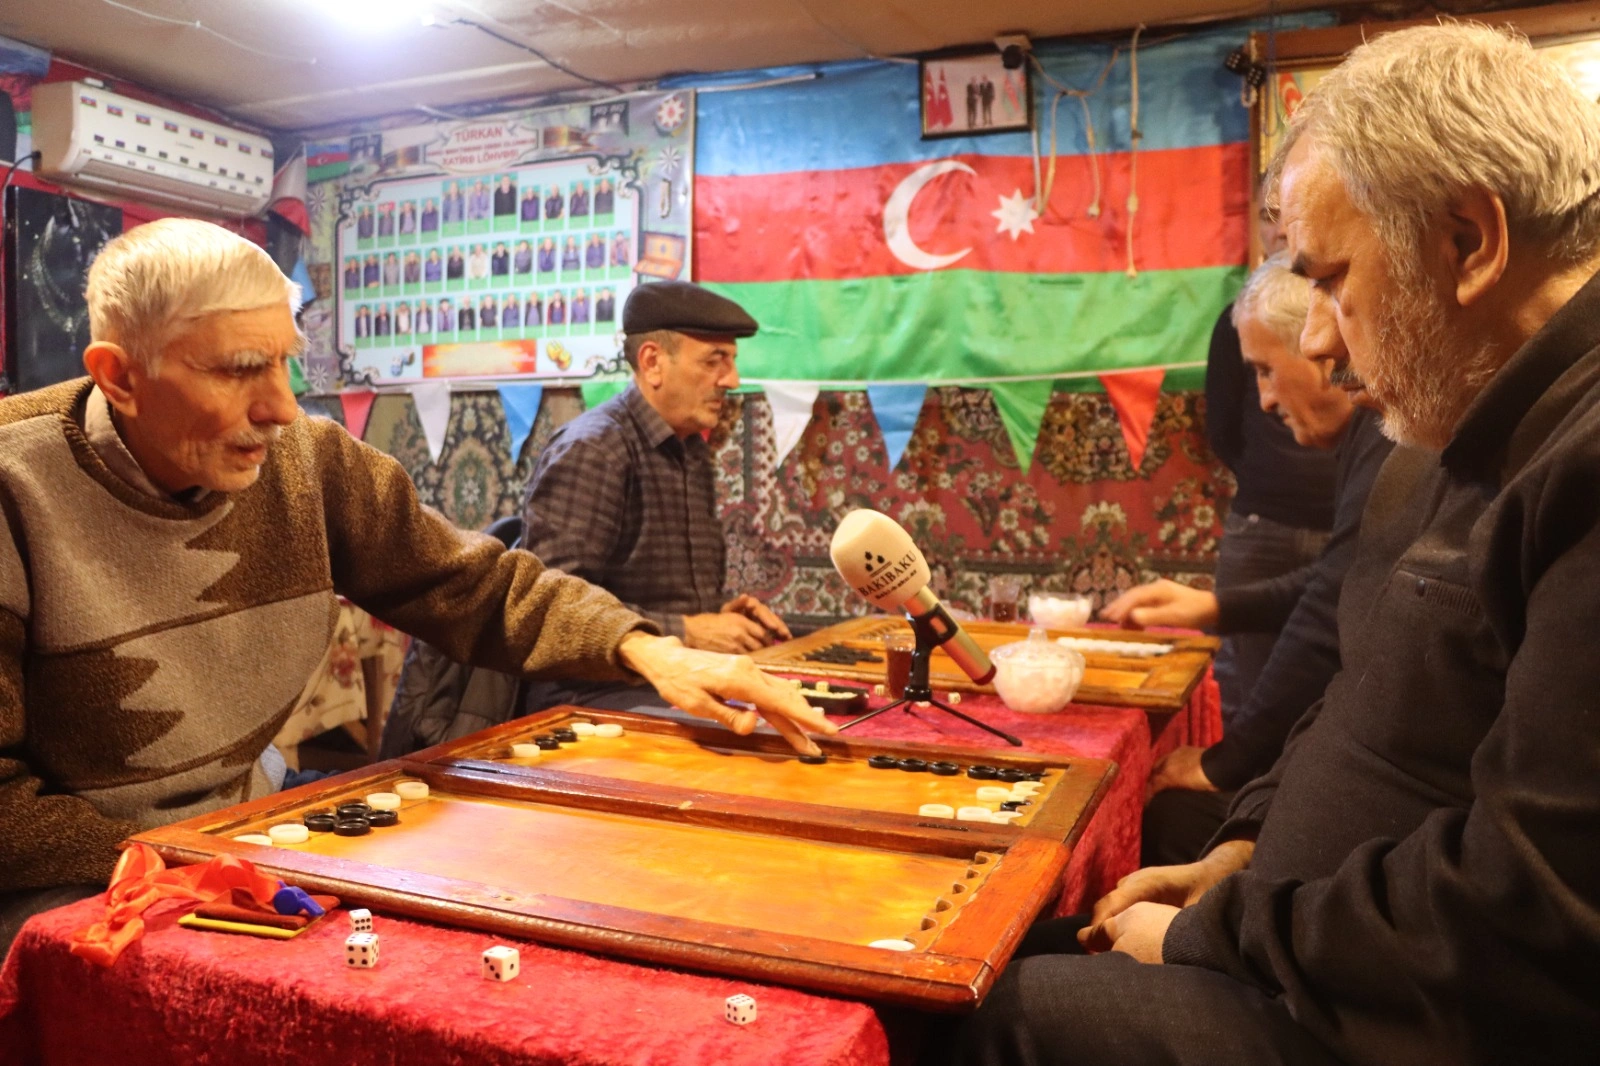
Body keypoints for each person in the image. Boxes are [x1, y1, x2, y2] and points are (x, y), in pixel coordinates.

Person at [939, 24, 1600, 1065]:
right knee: (1000, 949)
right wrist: (1240, 852)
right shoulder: (1468, 430)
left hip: (1401, 1023)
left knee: (1002, 1015)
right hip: (1313, 944)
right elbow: (1358, 695)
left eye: (1331, 279)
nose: (1320, 340)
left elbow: (1528, 906)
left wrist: (1218, 935)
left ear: (1470, 242)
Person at [0, 220, 833, 956]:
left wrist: (651, 650)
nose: (283, 408)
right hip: (81, 873)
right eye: (241, 370)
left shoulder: (310, 459)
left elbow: (477, 585)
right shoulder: (14, 480)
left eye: (286, 364)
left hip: (245, 824)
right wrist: (186, 862)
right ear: (120, 376)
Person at [1104, 253, 1391, 866]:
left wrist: (1225, 763)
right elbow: (1336, 583)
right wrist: (1213, 607)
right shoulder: (1372, 436)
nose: (1262, 399)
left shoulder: (1390, 438)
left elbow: (1325, 620)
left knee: (1179, 814)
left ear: (1321, 341)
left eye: (1265, 370)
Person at [518, 281, 794, 716]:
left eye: (732, 361)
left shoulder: (691, 449)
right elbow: (551, 609)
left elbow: (661, 600)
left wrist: (721, 617)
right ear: (652, 362)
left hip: (672, 681)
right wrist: (688, 631)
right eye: (714, 361)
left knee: (808, 708)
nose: (732, 380)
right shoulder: (595, 449)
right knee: (768, 735)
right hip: (590, 699)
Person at [1202, 214, 1339, 732]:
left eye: (1268, 371)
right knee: (1244, 691)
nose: (1265, 399)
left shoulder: (1386, 452)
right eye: (1268, 217)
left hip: (1330, 519)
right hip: (1262, 518)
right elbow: (1221, 426)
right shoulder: (1242, 317)